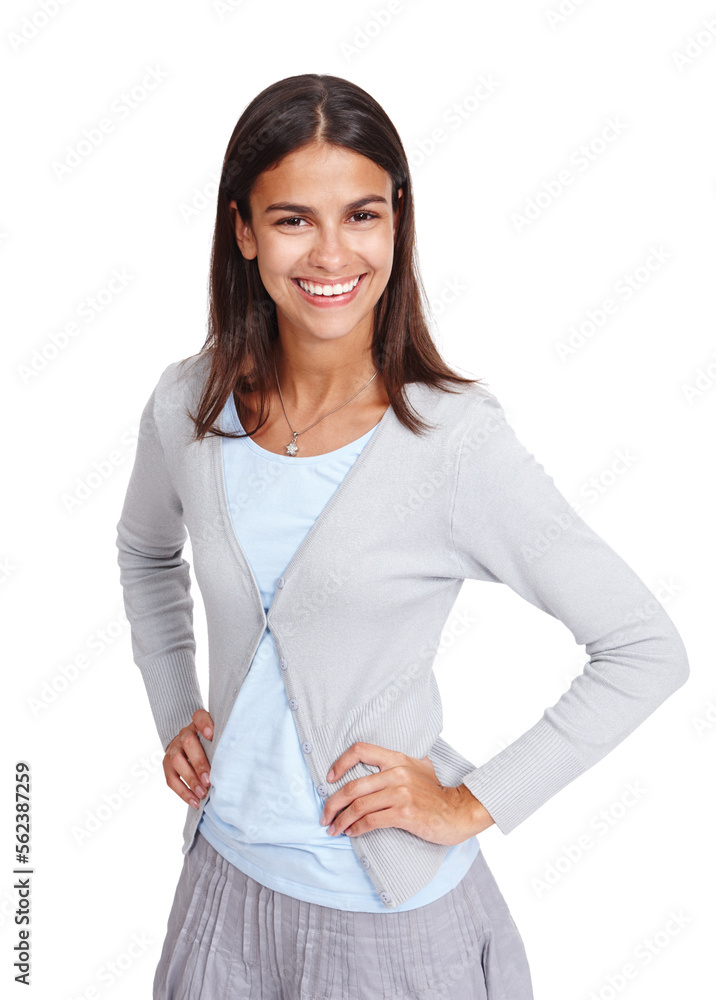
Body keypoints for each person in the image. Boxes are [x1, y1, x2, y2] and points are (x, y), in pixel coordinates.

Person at [115, 73, 690, 1000]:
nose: (332, 252)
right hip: (217, 898)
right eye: (294, 218)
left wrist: (472, 802)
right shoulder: (188, 404)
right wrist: (176, 704)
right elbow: (145, 554)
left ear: (397, 224)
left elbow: (644, 650)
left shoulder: (452, 442)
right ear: (243, 231)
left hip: (387, 930)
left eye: (363, 215)